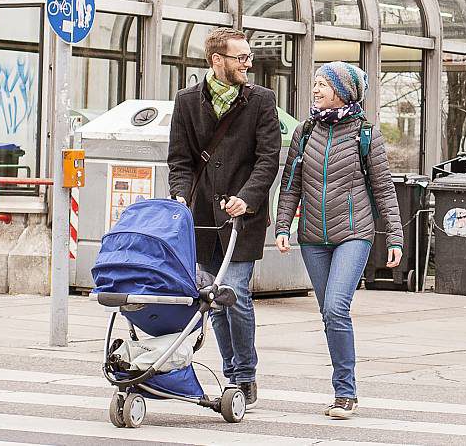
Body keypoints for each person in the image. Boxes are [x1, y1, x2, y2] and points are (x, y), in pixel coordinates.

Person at [272, 61, 405, 420]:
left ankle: (345, 392)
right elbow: (290, 185)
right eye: (314, 83)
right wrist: (283, 225)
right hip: (312, 237)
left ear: (343, 91)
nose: (315, 90)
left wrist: (394, 234)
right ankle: (343, 389)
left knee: (335, 308)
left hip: (354, 233)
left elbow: (383, 188)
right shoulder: (305, 132)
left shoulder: (366, 133)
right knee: (327, 313)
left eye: (322, 84)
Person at [166, 26, 282, 409]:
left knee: (235, 293)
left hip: (241, 217)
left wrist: (246, 199)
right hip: (200, 217)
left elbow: (268, 160)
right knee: (211, 299)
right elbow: (180, 160)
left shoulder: (262, 100)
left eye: (248, 57)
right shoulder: (186, 101)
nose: (248, 64)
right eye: (241, 57)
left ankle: (244, 374)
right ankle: (231, 368)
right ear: (217, 60)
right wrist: (179, 196)